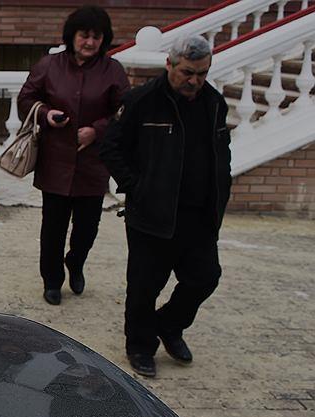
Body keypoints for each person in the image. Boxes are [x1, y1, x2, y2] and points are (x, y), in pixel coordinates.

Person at [99, 35, 231, 378]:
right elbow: (110, 147)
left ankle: (169, 325)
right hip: (152, 215)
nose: (195, 81)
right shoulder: (142, 101)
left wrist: (222, 192)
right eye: (187, 72)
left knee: (205, 278)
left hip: (199, 216)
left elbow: (222, 153)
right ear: (169, 65)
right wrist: (136, 187)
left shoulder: (214, 102)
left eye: (202, 73)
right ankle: (140, 345)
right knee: (145, 286)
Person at [17, 5, 130, 306]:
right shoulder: (49, 65)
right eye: (84, 35)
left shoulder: (113, 70)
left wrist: (97, 130)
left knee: (87, 229)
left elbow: (126, 111)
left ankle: (76, 262)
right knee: (52, 228)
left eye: (96, 37)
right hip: (55, 160)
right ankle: (52, 281)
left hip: (93, 164)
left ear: (104, 39)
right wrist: (45, 113)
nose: (90, 42)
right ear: (72, 36)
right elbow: (26, 98)